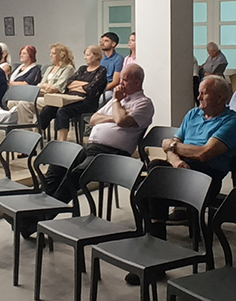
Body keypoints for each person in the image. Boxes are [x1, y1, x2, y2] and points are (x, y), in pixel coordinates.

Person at [39, 64, 154, 207]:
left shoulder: (143, 104)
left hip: (113, 154)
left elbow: (122, 121)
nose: (120, 83)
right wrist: (114, 116)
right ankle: (41, 206)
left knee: (76, 173)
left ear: (137, 82)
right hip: (92, 147)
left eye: (124, 80)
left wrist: (116, 102)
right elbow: (93, 119)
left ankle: (50, 211)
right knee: (59, 163)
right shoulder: (118, 100)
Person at [162, 75, 236, 197]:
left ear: (219, 98)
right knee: (156, 170)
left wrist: (172, 146)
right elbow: (173, 143)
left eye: (203, 93)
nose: (198, 97)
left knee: (158, 185)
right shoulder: (193, 114)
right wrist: (176, 161)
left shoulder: (232, 121)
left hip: (207, 174)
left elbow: (204, 153)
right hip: (182, 165)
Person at [37, 44, 107, 141]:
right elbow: (69, 84)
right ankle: (36, 136)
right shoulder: (82, 69)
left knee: (63, 111)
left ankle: (62, 141)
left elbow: (91, 89)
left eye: (88, 55)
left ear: (96, 56)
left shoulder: (101, 70)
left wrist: (77, 86)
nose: (85, 57)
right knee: (48, 108)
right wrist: (84, 84)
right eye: (85, 55)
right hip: (71, 99)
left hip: (87, 102)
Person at [11, 43, 75, 124]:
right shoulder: (50, 68)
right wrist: (46, 87)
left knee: (24, 104)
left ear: (61, 55)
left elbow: (56, 88)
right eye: (50, 53)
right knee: (12, 102)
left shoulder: (68, 68)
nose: (50, 55)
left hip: (54, 98)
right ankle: (21, 126)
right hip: (42, 95)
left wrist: (45, 86)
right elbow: (39, 85)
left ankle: (27, 128)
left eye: (53, 53)